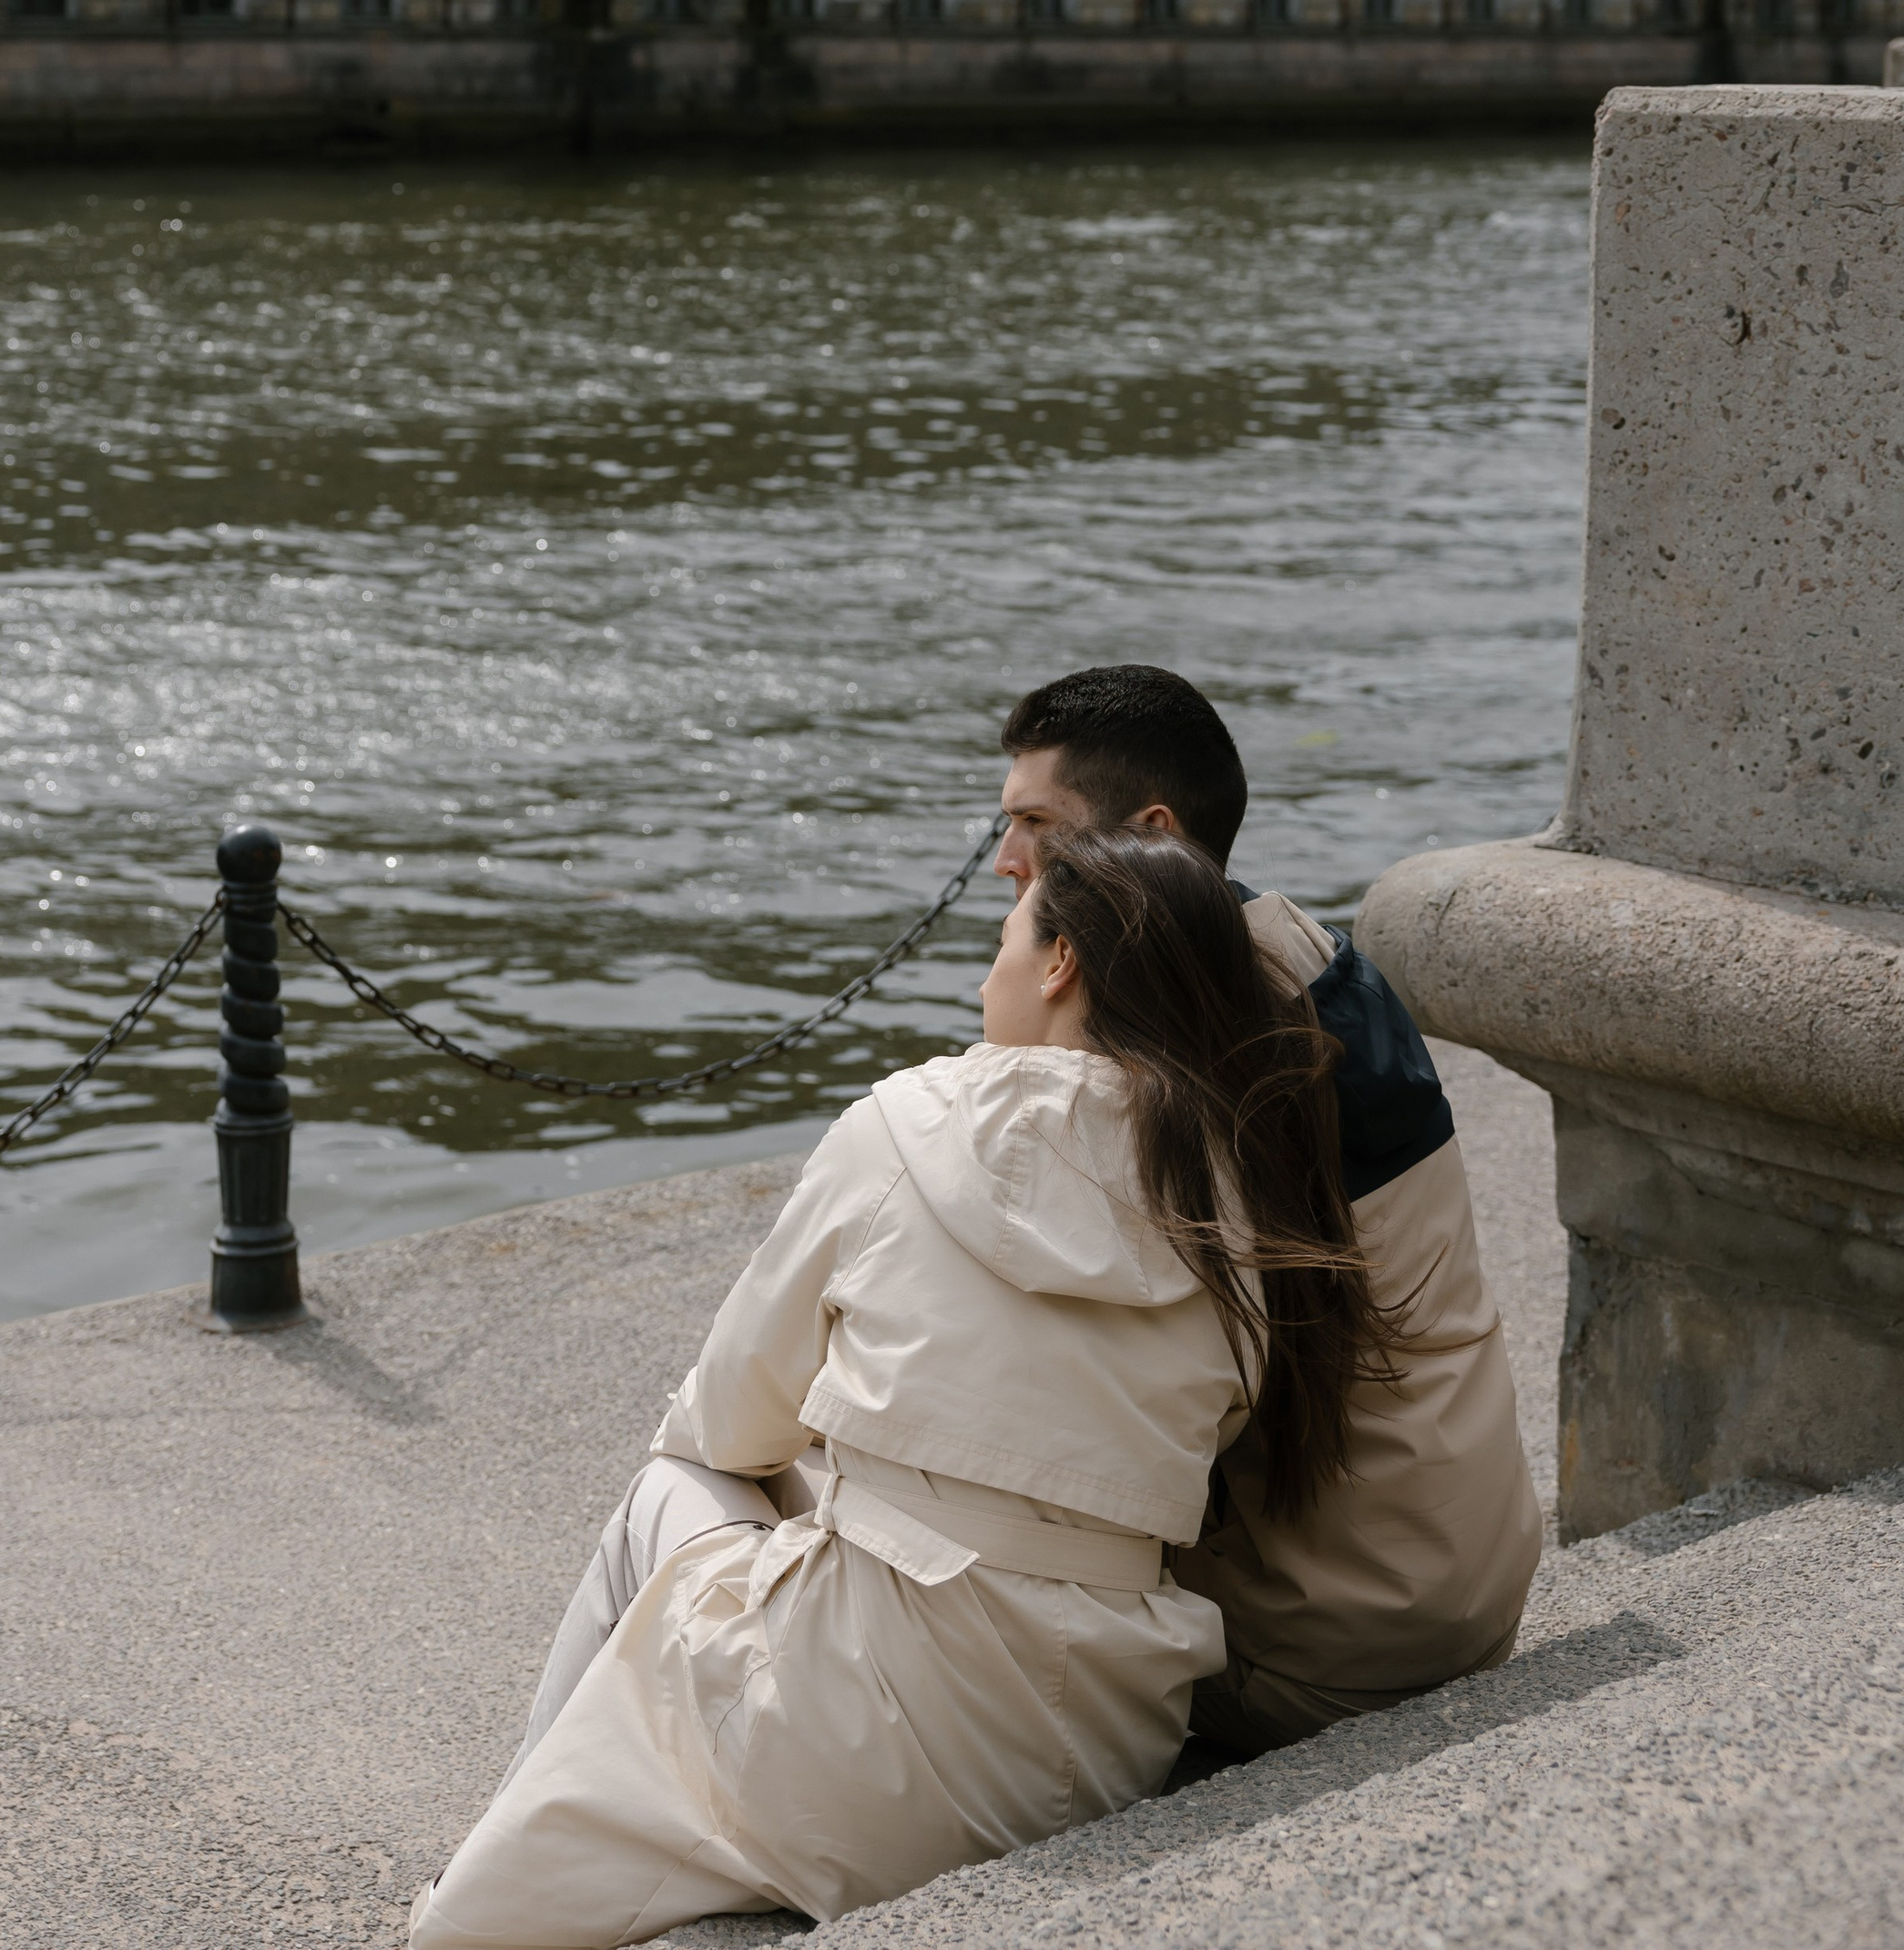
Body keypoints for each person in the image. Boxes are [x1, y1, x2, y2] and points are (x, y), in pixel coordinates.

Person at [410, 828, 1397, 1950]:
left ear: (1061, 960)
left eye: (1004, 937)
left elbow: (727, 1425)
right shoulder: (1241, 1190)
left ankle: (507, 1837)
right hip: (1103, 1745)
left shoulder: (905, 1125)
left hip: (864, 1754)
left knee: (670, 1485)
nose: (985, 976)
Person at [993, 663, 1543, 1759]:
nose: (1008, 859)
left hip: (1320, 1642)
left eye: (1036, 825)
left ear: (1152, 832)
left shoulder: (1189, 1045)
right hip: (1456, 1578)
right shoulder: (1303, 957)